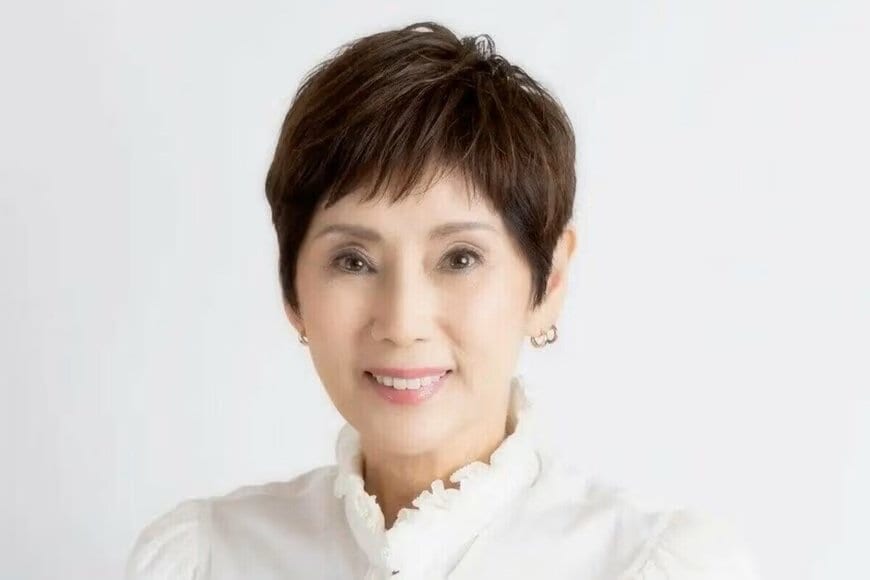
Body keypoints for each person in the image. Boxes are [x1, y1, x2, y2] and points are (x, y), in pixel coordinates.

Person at [125, 21, 761, 580]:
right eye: (353, 261)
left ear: (549, 280)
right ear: (291, 287)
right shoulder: (205, 560)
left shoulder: (651, 567)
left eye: (460, 258)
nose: (402, 323)